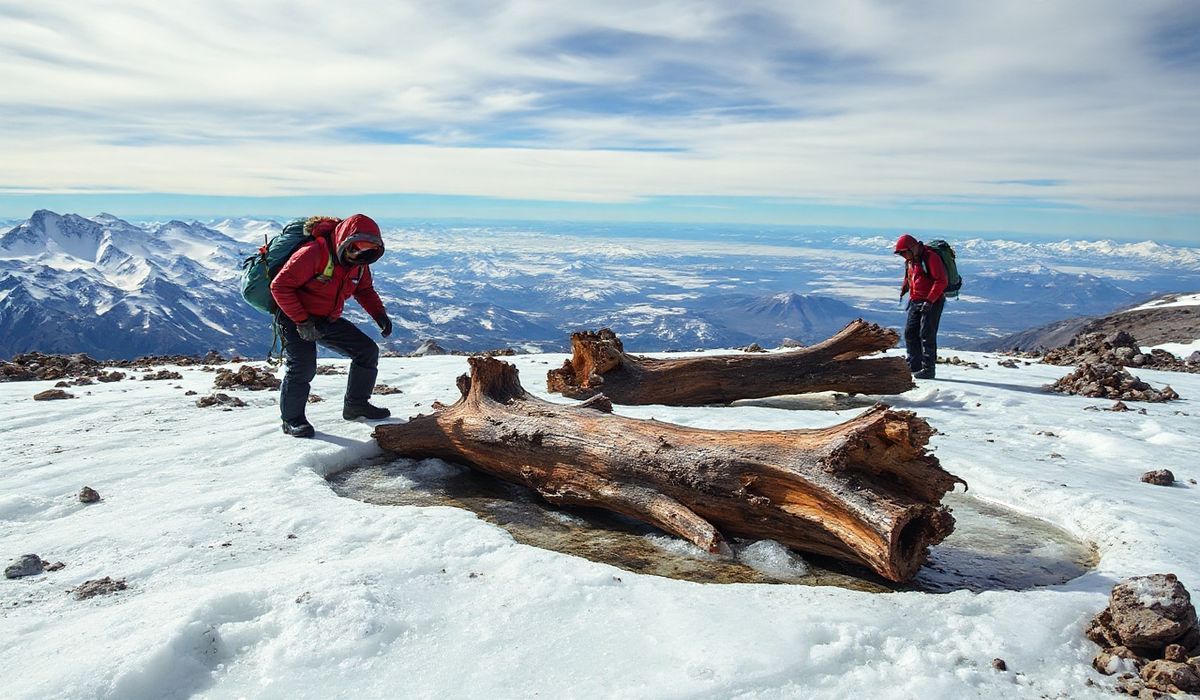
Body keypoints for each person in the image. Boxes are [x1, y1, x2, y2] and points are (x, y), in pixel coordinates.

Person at [270, 214, 394, 437]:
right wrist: (302, 321)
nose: (359, 254)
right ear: (345, 240)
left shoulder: (359, 264)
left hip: (326, 318)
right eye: (355, 247)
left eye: (367, 251)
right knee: (303, 367)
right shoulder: (313, 253)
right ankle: (292, 420)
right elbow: (280, 286)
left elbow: (363, 290)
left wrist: (380, 315)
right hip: (294, 317)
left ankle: (356, 406)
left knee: (366, 351)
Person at [894, 233, 948, 379]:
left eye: (904, 253)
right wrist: (905, 289)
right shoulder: (912, 260)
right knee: (910, 333)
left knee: (927, 335)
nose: (903, 257)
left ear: (911, 248)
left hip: (933, 301)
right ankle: (914, 364)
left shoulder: (931, 257)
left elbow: (941, 280)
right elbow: (910, 277)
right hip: (915, 300)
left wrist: (929, 300)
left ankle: (929, 369)